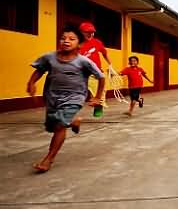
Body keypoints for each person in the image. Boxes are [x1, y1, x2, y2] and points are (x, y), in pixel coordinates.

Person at [27, 25, 105, 173]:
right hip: (51, 97)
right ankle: (74, 121)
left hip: (74, 98)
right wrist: (31, 83)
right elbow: (40, 70)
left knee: (59, 126)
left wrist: (97, 97)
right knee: (51, 126)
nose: (66, 41)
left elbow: (101, 77)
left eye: (71, 39)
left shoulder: (83, 62)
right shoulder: (49, 57)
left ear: (80, 44)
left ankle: (48, 159)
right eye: (63, 38)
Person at [78, 22, 114, 110]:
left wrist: (110, 65)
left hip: (95, 71)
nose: (90, 34)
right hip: (80, 72)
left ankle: (98, 106)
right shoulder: (76, 43)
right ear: (80, 32)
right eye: (87, 32)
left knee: (100, 92)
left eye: (92, 32)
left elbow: (105, 54)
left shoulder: (97, 42)